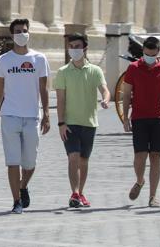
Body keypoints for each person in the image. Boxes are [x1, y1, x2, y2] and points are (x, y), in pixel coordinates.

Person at [0, 18, 50, 214]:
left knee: (30, 163)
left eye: (24, 30)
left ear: (29, 32)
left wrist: (47, 113)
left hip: (32, 116)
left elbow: (44, 88)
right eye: (17, 31)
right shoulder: (4, 60)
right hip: (10, 116)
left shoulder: (39, 59)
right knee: (12, 161)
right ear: (12, 35)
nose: (22, 34)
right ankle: (16, 201)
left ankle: (23, 186)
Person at [53, 34, 110, 209]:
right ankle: (74, 193)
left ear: (85, 48)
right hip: (70, 124)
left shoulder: (95, 71)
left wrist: (106, 100)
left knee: (84, 160)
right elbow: (60, 100)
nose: (74, 49)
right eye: (71, 46)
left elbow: (105, 90)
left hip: (89, 123)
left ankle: (81, 192)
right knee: (73, 158)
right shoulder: (63, 72)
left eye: (77, 46)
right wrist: (61, 123)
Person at [120, 36, 160, 208]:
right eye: (146, 54)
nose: (149, 58)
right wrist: (125, 117)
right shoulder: (133, 68)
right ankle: (139, 180)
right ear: (143, 51)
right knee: (140, 156)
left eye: (152, 55)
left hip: (159, 117)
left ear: (158, 52)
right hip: (139, 117)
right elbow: (126, 94)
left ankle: (153, 196)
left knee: (155, 157)